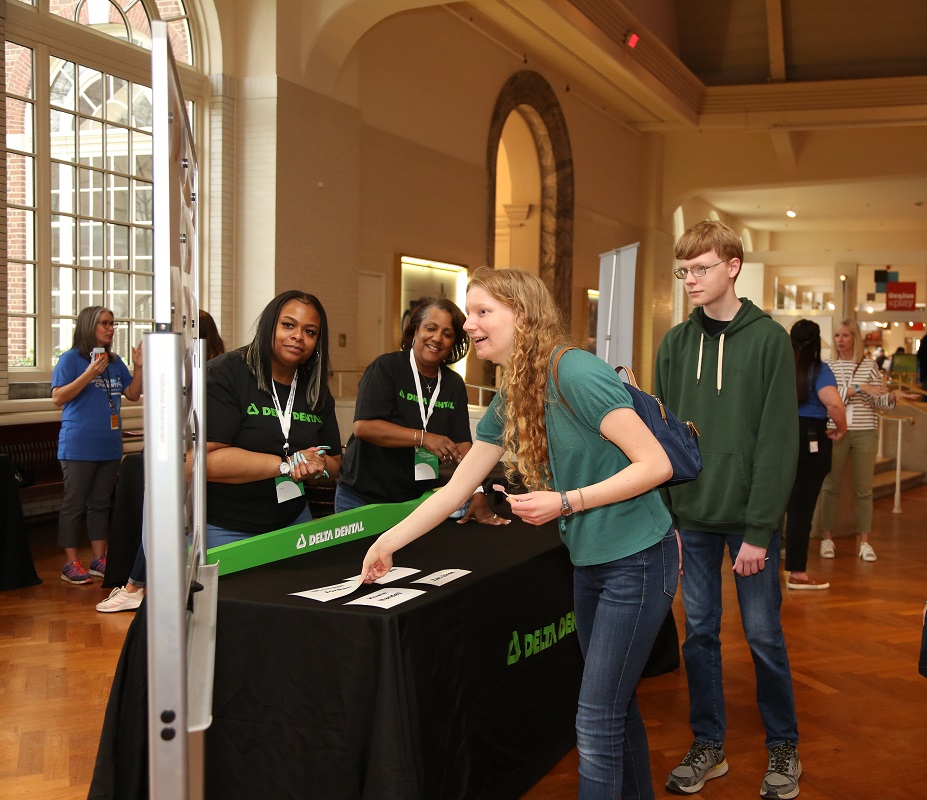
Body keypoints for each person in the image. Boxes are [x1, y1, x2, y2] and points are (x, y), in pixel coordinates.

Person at [360, 267, 677, 798]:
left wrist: (565, 501)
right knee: (613, 711)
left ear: (523, 315)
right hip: (591, 561)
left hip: (638, 560)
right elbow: (457, 488)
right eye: (471, 313)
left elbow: (656, 464)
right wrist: (387, 543)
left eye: (484, 312)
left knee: (596, 721)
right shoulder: (514, 393)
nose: (470, 326)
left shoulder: (573, 372)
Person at [653, 219, 802, 799]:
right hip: (689, 518)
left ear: (733, 267)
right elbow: (660, 434)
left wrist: (760, 530)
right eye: (683, 270)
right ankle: (708, 744)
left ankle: (783, 746)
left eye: (701, 268)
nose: (690, 280)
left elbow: (776, 441)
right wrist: (666, 520)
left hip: (748, 523)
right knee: (699, 637)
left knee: (764, 636)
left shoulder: (768, 340)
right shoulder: (674, 343)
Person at [97, 310, 225, 612]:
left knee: (162, 519)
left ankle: (135, 587)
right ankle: (138, 585)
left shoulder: (204, 370)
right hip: (184, 454)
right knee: (164, 521)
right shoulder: (203, 365)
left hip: (189, 457)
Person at [334, 297, 498, 524]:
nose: (437, 338)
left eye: (447, 334)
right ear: (414, 331)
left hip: (417, 501)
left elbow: (462, 445)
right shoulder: (386, 367)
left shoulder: (453, 384)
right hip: (362, 498)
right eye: (430, 328)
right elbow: (364, 427)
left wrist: (477, 490)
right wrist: (423, 438)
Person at [204, 291, 342, 548]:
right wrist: (286, 465)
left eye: (310, 332)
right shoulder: (227, 373)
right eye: (288, 325)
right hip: (226, 526)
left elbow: (334, 463)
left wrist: (315, 465)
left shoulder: (315, 387)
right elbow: (205, 460)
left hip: (293, 521)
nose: (298, 336)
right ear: (269, 325)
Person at [52, 306, 143, 585]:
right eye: (104, 323)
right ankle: (70, 563)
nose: (110, 328)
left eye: (112, 324)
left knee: (101, 504)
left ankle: (99, 559)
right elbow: (58, 398)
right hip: (79, 444)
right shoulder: (70, 359)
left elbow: (133, 394)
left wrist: (138, 367)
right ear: (89, 326)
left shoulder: (114, 362)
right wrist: (89, 373)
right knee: (74, 504)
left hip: (109, 444)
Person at [817, 320, 915, 563]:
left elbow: (877, 402)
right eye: (837, 335)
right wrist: (859, 388)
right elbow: (828, 399)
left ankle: (865, 542)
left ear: (855, 338)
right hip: (834, 430)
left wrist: (892, 396)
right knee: (831, 486)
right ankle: (826, 538)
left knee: (864, 489)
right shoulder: (827, 366)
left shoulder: (870, 365)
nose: (840, 339)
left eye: (846, 335)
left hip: (865, 431)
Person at [784, 320, 845, 591]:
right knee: (802, 508)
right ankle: (797, 573)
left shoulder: (781, 367)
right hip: (811, 436)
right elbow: (832, 402)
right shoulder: (819, 369)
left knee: (777, 504)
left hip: (781, 436)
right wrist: (841, 428)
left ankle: (766, 560)